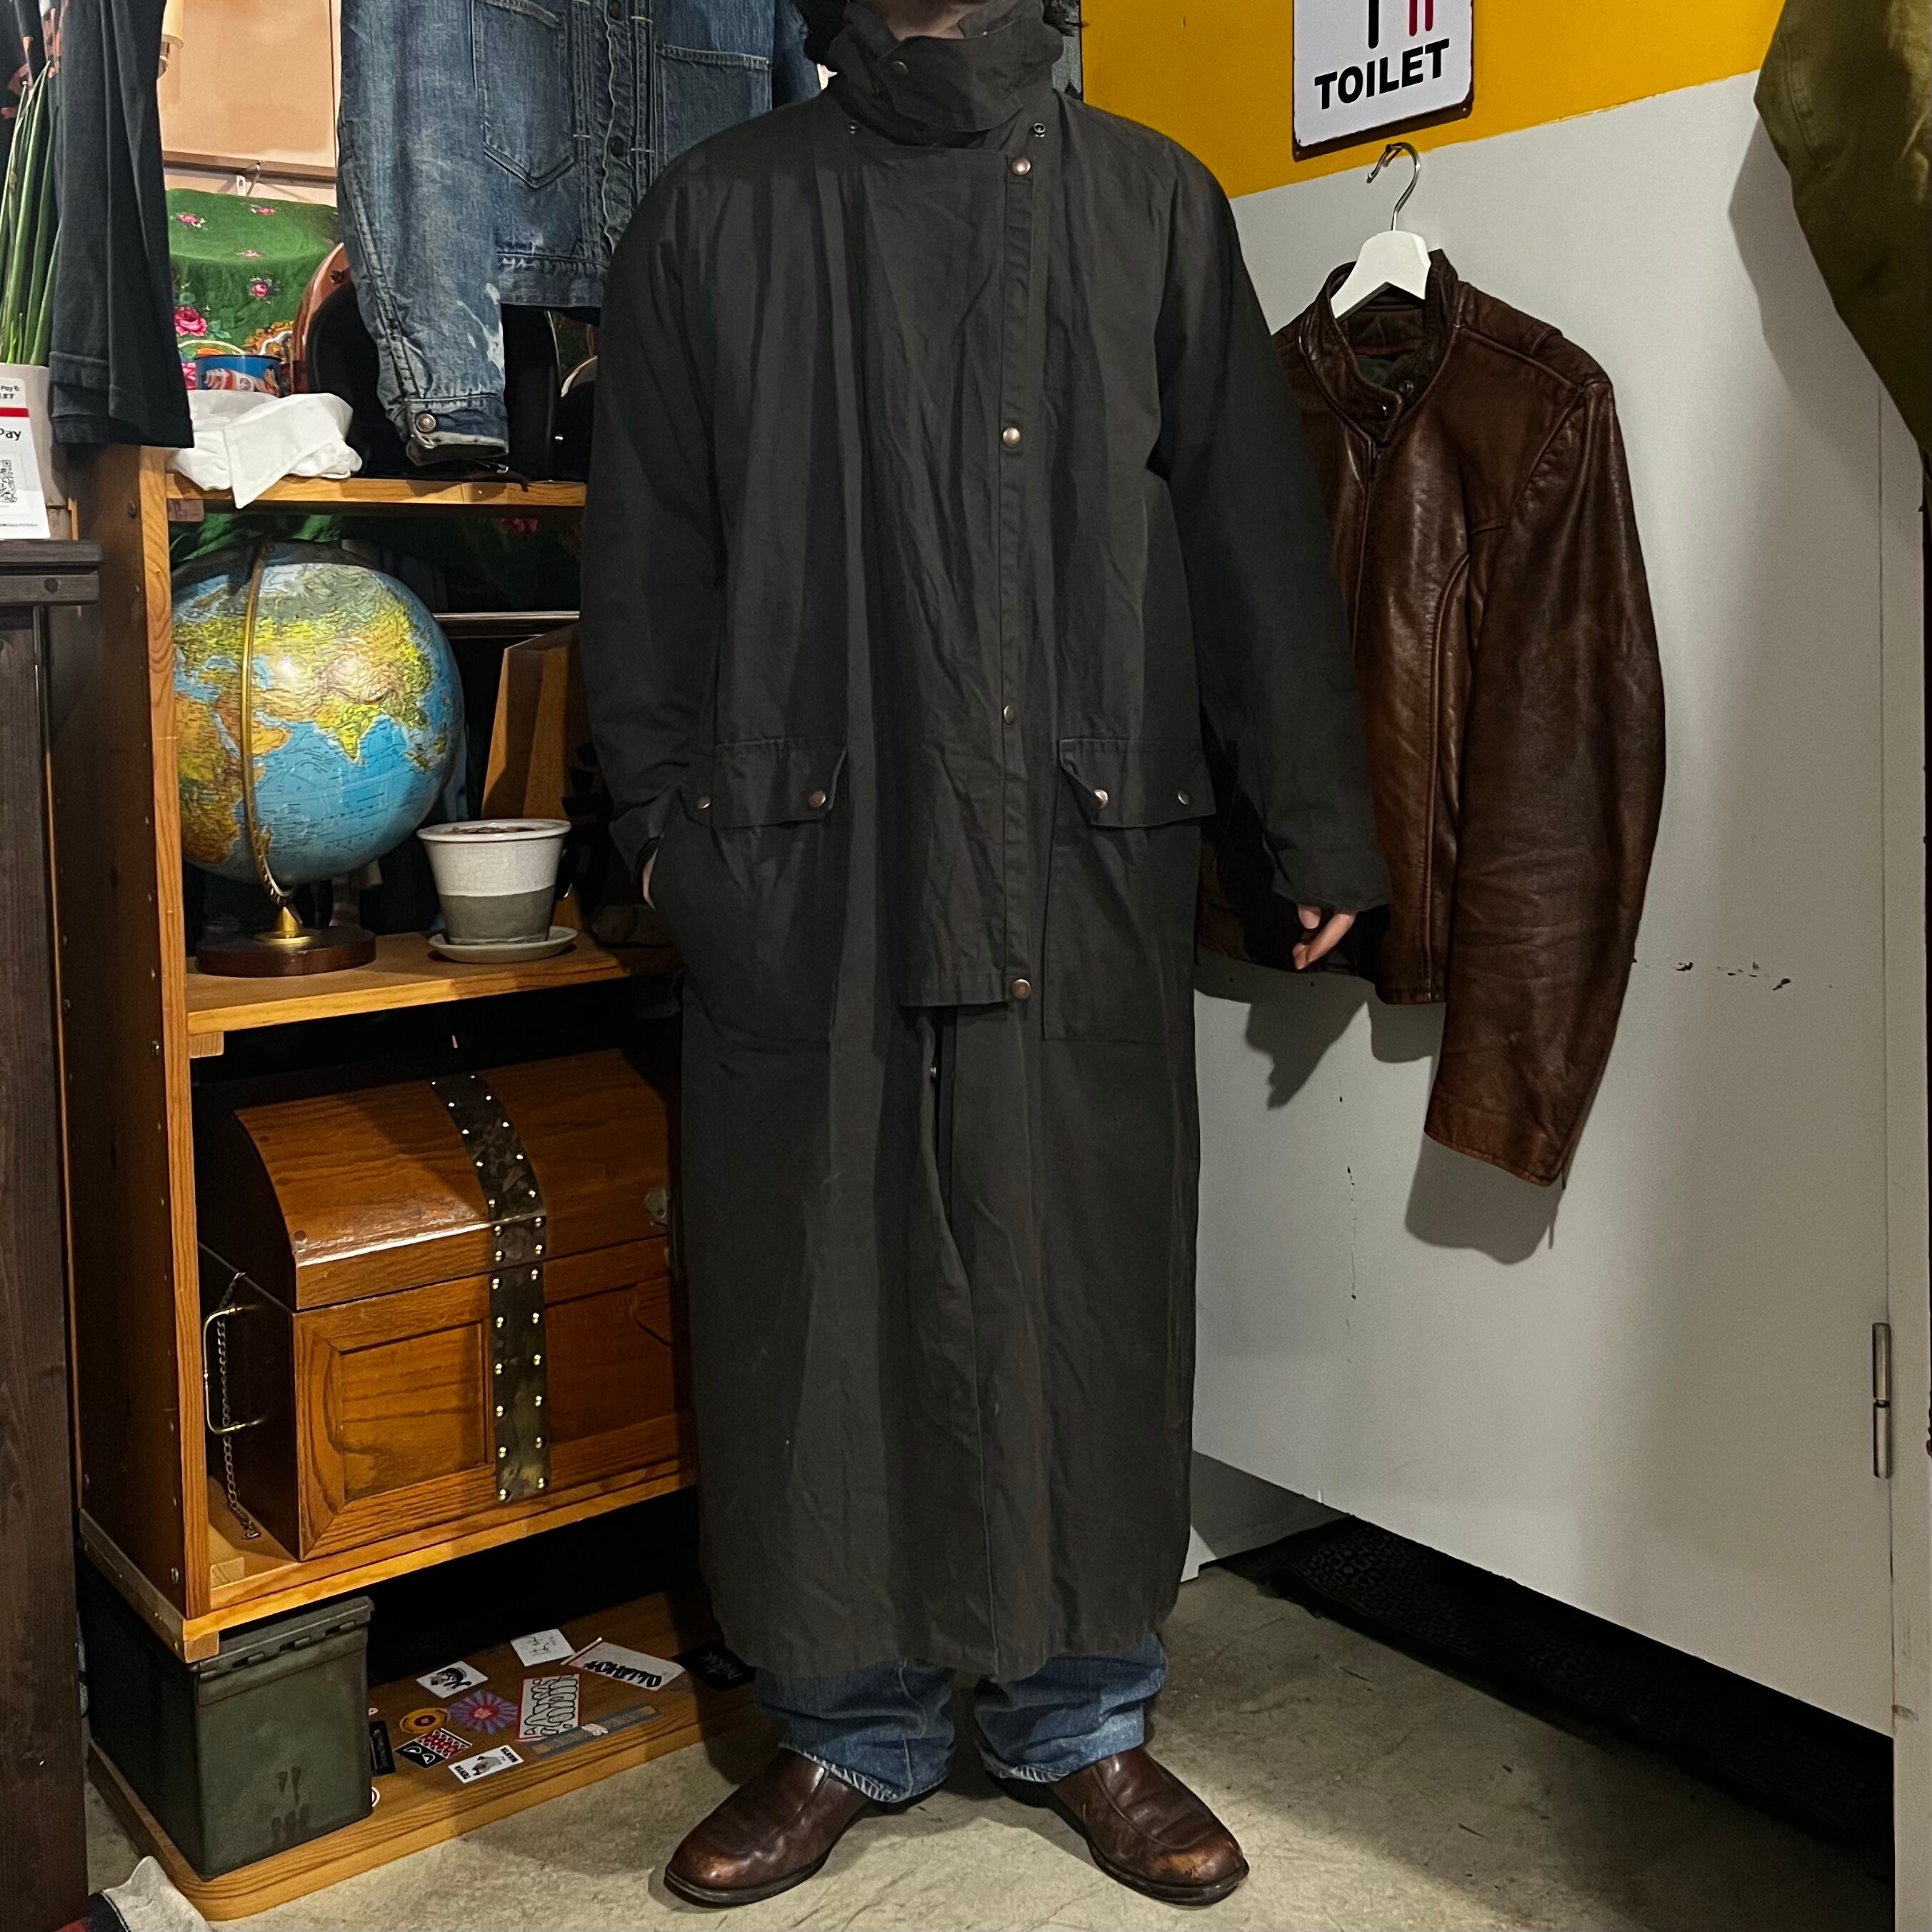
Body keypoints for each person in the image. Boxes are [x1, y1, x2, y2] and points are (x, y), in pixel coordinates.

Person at [579, 0, 1386, 1908]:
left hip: (1073, 837)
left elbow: (1251, 534)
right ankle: (843, 1721)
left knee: (1076, 1271)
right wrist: (666, 831)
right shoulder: (712, 213)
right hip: (809, 846)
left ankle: (1083, 1714)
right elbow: (648, 556)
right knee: (820, 1279)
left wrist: (1313, 817)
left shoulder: (1153, 203)